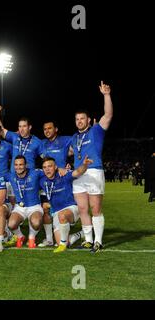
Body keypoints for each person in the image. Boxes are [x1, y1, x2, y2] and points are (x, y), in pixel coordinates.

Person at [71, 81, 113, 253]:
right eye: (77, 119)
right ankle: (88, 240)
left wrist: (106, 95)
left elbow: (108, 115)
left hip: (94, 171)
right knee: (82, 209)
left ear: (88, 120)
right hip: (79, 175)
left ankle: (98, 241)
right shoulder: (74, 137)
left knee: (95, 208)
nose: (79, 121)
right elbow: (72, 152)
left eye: (82, 118)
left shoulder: (96, 130)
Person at [40, 156, 93, 252]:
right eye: (44, 167)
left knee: (62, 216)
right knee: (65, 240)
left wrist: (84, 165)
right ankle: (81, 234)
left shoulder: (63, 175)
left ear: (55, 167)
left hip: (72, 208)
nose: (47, 169)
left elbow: (78, 172)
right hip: (56, 213)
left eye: (50, 166)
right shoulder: (42, 180)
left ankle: (62, 245)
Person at [38, 121, 73, 247]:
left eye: (49, 128)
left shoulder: (65, 140)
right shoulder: (41, 143)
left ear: (56, 129)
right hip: (46, 181)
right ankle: (49, 239)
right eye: (45, 129)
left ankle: (67, 228)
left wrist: (70, 166)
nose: (47, 131)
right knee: (45, 208)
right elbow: (23, 136)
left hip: (61, 180)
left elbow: (79, 146)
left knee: (61, 207)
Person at [5, 155, 46, 249]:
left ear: (26, 165)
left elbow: (49, 172)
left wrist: (62, 169)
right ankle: (20, 236)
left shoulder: (35, 173)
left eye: (21, 164)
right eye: (16, 165)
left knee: (36, 222)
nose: (18, 167)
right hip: (19, 207)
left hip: (34, 206)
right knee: (11, 224)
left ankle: (31, 237)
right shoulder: (10, 176)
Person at [0, 105, 43, 172]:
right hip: (14, 175)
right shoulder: (15, 136)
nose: (21, 129)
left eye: (24, 126)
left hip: (29, 176)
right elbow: (0, 129)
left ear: (30, 127)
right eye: (20, 126)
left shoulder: (37, 142)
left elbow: (47, 158)